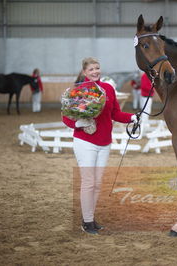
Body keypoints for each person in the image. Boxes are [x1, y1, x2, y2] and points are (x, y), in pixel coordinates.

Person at [62, 57, 137, 235]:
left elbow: (116, 113)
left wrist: (133, 117)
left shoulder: (109, 89)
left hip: (105, 142)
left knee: (97, 184)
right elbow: (66, 117)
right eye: (91, 69)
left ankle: (90, 218)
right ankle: (87, 222)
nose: (95, 71)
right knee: (88, 182)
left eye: (97, 68)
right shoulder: (79, 90)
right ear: (84, 72)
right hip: (85, 141)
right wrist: (77, 124)